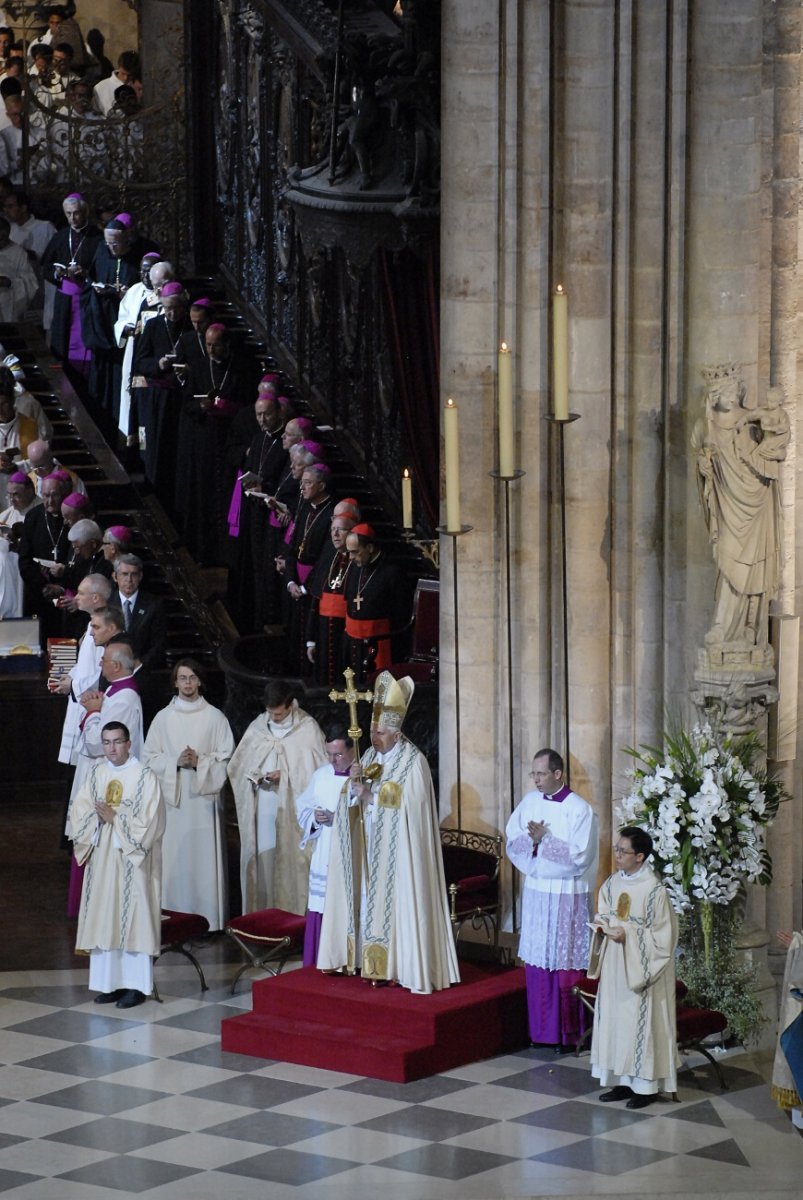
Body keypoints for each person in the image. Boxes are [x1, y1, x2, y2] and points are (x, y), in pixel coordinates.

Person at [318, 670, 460, 994]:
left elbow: (413, 809)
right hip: (370, 850)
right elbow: (352, 801)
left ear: (397, 733)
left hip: (400, 858)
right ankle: (364, 962)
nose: (374, 736)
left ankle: (398, 965)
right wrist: (353, 787)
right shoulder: (368, 755)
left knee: (397, 908)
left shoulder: (414, 762)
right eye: (373, 730)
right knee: (369, 902)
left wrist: (371, 796)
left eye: (381, 731)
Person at [506, 748, 598, 1049]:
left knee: (564, 963)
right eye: (533, 773)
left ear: (558, 774)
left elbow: (580, 857)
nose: (535, 780)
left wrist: (544, 839)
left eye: (541, 774)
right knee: (539, 961)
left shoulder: (579, 809)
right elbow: (513, 840)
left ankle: (570, 1033)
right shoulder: (530, 802)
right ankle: (541, 1032)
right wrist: (532, 842)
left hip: (566, 896)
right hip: (537, 893)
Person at [70, 720, 165, 1009]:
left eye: (117, 742)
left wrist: (116, 819)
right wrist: (95, 820)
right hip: (102, 860)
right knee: (104, 917)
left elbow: (152, 823)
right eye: (107, 742)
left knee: (134, 919)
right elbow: (80, 811)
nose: (112, 748)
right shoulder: (97, 773)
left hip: (131, 864)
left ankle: (136, 987)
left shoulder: (145, 777)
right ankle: (109, 984)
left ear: (129, 743)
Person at [693, 365, 789, 650]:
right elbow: (702, 470)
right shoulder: (705, 426)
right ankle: (722, 625)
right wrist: (704, 469)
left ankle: (750, 626)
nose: (733, 396)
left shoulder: (751, 421)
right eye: (727, 391)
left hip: (756, 498)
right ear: (714, 396)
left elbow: (774, 446)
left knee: (757, 564)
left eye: (736, 389)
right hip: (727, 504)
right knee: (728, 561)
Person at [588, 826, 679, 1109]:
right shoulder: (613, 883)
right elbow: (603, 912)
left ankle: (646, 1087)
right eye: (616, 849)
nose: (616, 854)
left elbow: (664, 937)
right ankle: (621, 1081)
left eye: (622, 851)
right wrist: (603, 927)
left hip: (641, 969)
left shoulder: (654, 890)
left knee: (641, 1024)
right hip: (616, 965)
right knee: (616, 1023)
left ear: (639, 856)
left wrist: (629, 935)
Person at [142, 659, 234, 931]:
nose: (188, 683)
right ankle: (175, 916)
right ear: (175, 682)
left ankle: (209, 920)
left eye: (192, 678)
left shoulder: (215, 717)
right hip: (176, 801)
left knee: (205, 862)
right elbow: (148, 759)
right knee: (175, 859)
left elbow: (227, 759)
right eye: (182, 678)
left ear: (200, 681)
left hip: (204, 801)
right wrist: (175, 762)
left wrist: (200, 762)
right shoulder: (163, 718)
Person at [227, 680, 326, 914]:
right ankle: (262, 914)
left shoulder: (307, 729)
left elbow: (320, 773)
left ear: (291, 705)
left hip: (292, 812)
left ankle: (291, 917)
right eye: (270, 713)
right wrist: (255, 774)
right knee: (265, 860)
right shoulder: (259, 727)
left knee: (291, 862)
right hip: (263, 806)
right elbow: (237, 766)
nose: (273, 719)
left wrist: (287, 775)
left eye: (279, 714)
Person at [295, 722, 357, 966]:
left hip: (349, 853)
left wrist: (339, 818)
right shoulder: (321, 775)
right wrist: (315, 818)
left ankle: (347, 960)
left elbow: (369, 815)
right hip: (324, 853)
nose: (333, 760)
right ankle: (319, 961)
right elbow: (303, 807)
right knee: (321, 906)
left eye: (338, 754)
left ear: (352, 751)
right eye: (329, 754)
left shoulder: (362, 778)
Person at [54, 573, 112, 765]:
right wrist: (69, 677)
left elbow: (103, 671)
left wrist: (73, 685)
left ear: (95, 597)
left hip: (91, 702)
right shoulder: (91, 623)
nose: (76, 597)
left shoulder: (105, 627)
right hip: (80, 698)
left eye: (80, 593)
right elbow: (85, 662)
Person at [40, 193, 101, 376]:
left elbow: (104, 269)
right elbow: (45, 266)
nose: (72, 218)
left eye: (76, 213)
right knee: (63, 342)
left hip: (88, 299)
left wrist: (87, 274)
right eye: (68, 214)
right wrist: (58, 274)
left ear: (85, 212)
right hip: (64, 300)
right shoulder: (60, 236)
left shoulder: (97, 237)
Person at [343, 523, 408, 681]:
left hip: (379, 646)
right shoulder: (355, 566)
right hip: (353, 643)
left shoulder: (392, 572)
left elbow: (401, 614)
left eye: (355, 552)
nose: (350, 558)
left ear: (370, 548)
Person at [306, 512, 358, 685]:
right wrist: (311, 640)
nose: (335, 535)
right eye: (333, 529)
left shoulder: (357, 562)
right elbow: (316, 600)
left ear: (352, 532)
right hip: (322, 632)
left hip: (345, 635)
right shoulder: (329, 555)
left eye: (340, 530)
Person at [112, 552, 166, 670]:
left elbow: (159, 644)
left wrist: (139, 664)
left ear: (140, 576)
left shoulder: (153, 605)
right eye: (124, 574)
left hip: (142, 670)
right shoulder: (107, 602)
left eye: (134, 574)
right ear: (115, 576)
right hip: (111, 669)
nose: (129, 580)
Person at [0, 469, 38, 615]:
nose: (11, 499)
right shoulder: (5, 516)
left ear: (30, 491)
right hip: (9, 574)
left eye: (16, 494)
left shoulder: (41, 511)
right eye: (9, 495)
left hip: (31, 576)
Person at [0, 215, 36, 320]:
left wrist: (10, 282)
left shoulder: (18, 253)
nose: (1, 241)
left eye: (3, 238)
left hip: (7, 306)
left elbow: (31, 283)